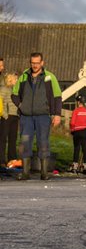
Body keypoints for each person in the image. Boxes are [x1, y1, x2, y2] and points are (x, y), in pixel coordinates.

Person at [11, 52, 63, 181]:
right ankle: (25, 172)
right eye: (32, 63)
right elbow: (14, 94)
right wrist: (21, 105)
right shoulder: (23, 76)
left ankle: (44, 173)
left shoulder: (50, 77)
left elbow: (57, 97)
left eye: (37, 63)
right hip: (26, 116)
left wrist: (57, 114)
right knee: (24, 143)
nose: (34, 65)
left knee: (43, 143)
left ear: (42, 63)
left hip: (43, 116)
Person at [68, 95, 86, 174]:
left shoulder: (76, 111)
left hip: (77, 131)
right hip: (85, 131)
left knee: (76, 148)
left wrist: (72, 129)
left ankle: (75, 166)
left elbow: (72, 122)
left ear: (78, 102)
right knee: (85, 149)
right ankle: (85, 166)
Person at [1, 71, 19, 170]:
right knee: (3, 139)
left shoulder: (15, 90)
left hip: (15, 116)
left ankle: (12, 159)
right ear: (10, 79)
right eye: (15, 79)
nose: (17, 80)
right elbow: (0, 101)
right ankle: (1, 160)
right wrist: (5, 115)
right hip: (6, 117)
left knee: (13, 138)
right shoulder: (4, 89)